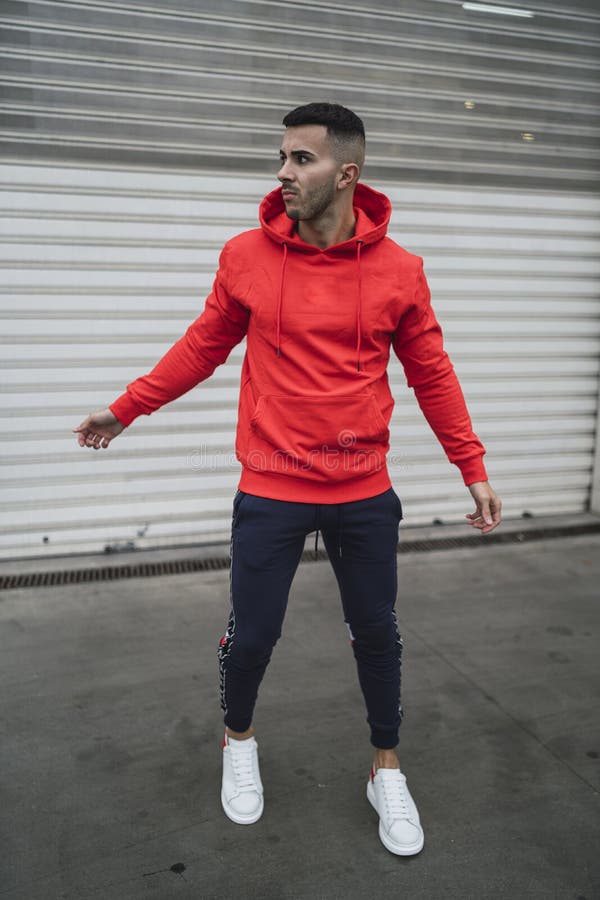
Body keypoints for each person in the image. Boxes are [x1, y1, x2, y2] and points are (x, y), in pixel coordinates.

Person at [74, 102, 502, 856]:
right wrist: (126, 408)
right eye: (280, 156)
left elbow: (432, 373)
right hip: (272, 485)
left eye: (299, 160)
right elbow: (201, 346)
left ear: (347, 174)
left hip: (363, 488)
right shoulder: (245, 256)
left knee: (377, 634)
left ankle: (386, 768)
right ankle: (238, 743)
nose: (282, 172)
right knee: (253, 637)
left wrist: (472, 466)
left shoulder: (400, 271)